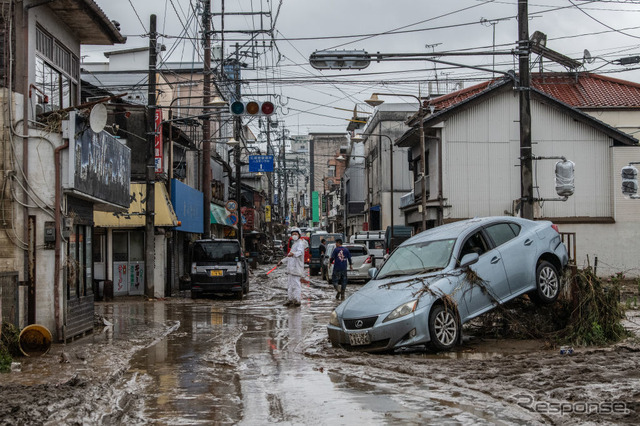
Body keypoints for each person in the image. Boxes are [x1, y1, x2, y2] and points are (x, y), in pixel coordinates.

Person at [278, 228, 308, 307]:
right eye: (293, 234)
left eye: (296, 234)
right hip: (291, 269)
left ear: (299, 235)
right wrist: (282, 261)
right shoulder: (294, 244)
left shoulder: (300, 244)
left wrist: (293, 254)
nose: (294, 235)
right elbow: (289, 256)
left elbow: (300, 253)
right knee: (290, 285)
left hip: (296, 268)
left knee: (296, 285)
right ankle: (290, 299)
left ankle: (297, 300)